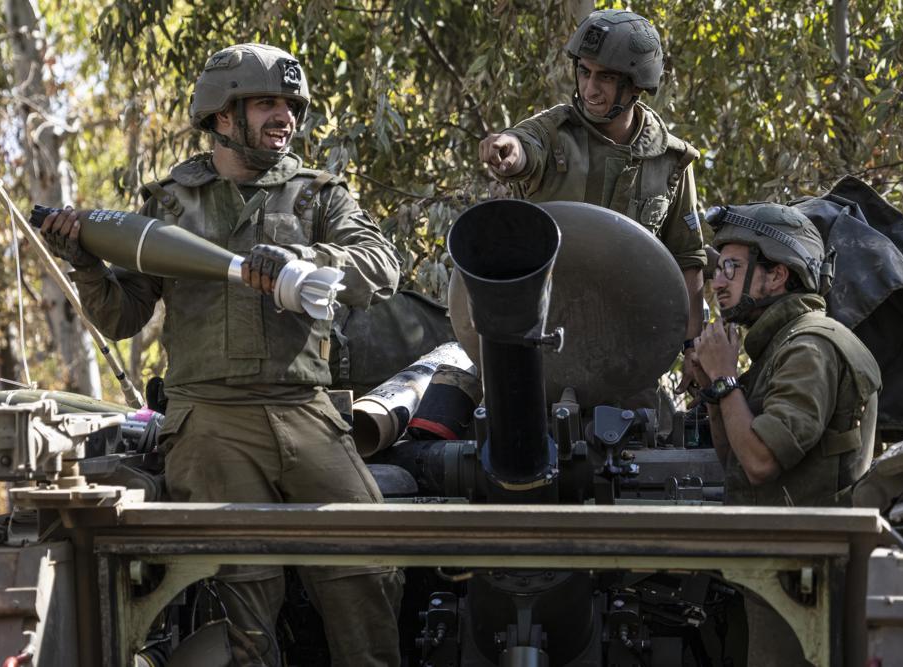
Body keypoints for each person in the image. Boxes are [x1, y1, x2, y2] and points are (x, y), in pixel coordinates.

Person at [40, 43, 402, 666]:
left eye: (291, 104)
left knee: (367, 573)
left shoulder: (318, 195)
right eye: (266, 103)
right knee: (246, 600)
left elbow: (382, 267)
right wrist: (87, 264)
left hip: (307, 412)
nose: (284, 116)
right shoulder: (171, 204)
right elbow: (123, 316)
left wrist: (307, 260)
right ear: (223, 116)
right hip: (208, 422)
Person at [479, 9, 706, 388]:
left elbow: (688, 261)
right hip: (541, 343)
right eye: (584, 72)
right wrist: (507, 151)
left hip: (630, 352)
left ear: (636, 85)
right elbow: (524, 147)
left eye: (606, 77)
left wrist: (693, 348)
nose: (590, 88)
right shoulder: (555, 133)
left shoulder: (671, 162)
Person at [692, 202, 881, 507]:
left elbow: (760, 463)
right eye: (718, 270)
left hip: (811, 545)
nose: (718, 283)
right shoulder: (781, 346)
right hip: (783, 538)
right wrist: (713, 388)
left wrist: (725, 379)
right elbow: (736, 458)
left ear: (777, 275)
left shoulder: (810, 348)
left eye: (731, 267)